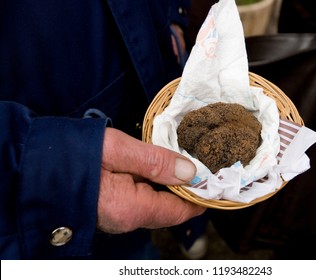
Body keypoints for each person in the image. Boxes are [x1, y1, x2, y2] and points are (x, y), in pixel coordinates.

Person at [0, 0, 206, 259]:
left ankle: (184, 233)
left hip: (148, 62)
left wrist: (174, 14)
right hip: (53, 192)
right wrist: (53, 175)